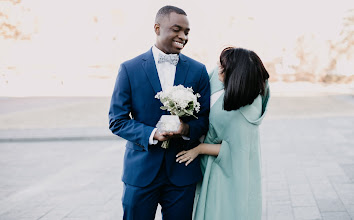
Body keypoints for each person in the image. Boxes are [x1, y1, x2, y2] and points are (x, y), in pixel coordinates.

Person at [108, 5, 210, 220]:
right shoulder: (130, 69)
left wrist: (185, 128)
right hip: (141, 171)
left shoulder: (198, 70)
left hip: (182, 172)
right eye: (176, 29)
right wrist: (152, 134)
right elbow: (117, 121)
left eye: (187, 32)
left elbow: (205, 119)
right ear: (157, 28)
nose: (183, 36)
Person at [176, 47, 270, 219]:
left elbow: (235, 151)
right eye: (220, 64)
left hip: (226, 171)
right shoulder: (217, 76)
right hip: (202, 161)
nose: (219, 68)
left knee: (220, 211)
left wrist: (199, 149)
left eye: (224, 68)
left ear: (238, 76)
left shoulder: (245, 111)